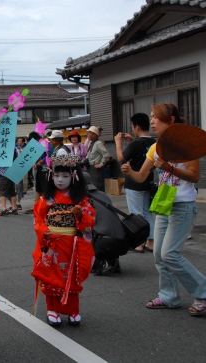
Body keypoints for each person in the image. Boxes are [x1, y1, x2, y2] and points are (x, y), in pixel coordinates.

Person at [121, 103, 205, 314]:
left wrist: (169, 168)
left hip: (183, 206)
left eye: (156, 117)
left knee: (170, 254)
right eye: (150, 117)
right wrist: (130, 171)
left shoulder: (186, 143)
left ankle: (203, 293)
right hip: (163, 206)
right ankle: (169, 297)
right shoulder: (154, 148)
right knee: (159, 253)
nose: (152, 121)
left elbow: (195, 176)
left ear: (172, 120)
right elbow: (141, 176)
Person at [31, 154, 95, 327]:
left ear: (74, 177)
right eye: (57, 176)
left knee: (71, 277)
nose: (60, 180)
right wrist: (45, 232)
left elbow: (90, 223)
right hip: (52, 243)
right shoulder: (45, 200)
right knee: (52, 278)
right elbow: (38, 220)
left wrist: (81, 215)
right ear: (51, 176)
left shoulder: (81, 200)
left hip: (72, 245)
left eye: (65, 176)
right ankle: (52, 309)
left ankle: (73, 310)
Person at [114, 113, 155, 253]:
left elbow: (121, 157)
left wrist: (118, 142)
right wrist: (132, 141)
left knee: (135, 213)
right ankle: (151, 241)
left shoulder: (137, 143)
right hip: (147, 181)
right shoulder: (153, 142)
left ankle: (138, 243)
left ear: (136, 127)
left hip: (134, 181)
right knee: (146, 212)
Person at [83, 172, 128, 275]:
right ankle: (112, 260)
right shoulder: (102, 195)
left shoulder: (83, 199)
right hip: (123, 242)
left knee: (81, 231)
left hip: (105, 243)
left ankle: (101, 262)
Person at [24, 132, 48, 214]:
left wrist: (41, 162)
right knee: (38, 188)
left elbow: (49, 155)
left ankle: (44, 205)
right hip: (38, 169)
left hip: (45, 169)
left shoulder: (45, 144)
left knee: (44, 188)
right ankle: (37, 205)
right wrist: (34, 163)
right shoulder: (35, 145)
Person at [84, 126, 109, 192]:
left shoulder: (98, 143)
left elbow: (106, 155)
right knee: (92, 186)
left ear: (95, 135)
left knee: (97, 186)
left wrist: (101, 164)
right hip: (90, 167)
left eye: (90, 133)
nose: (88, 135)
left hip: (96, 169)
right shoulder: (91, 143)